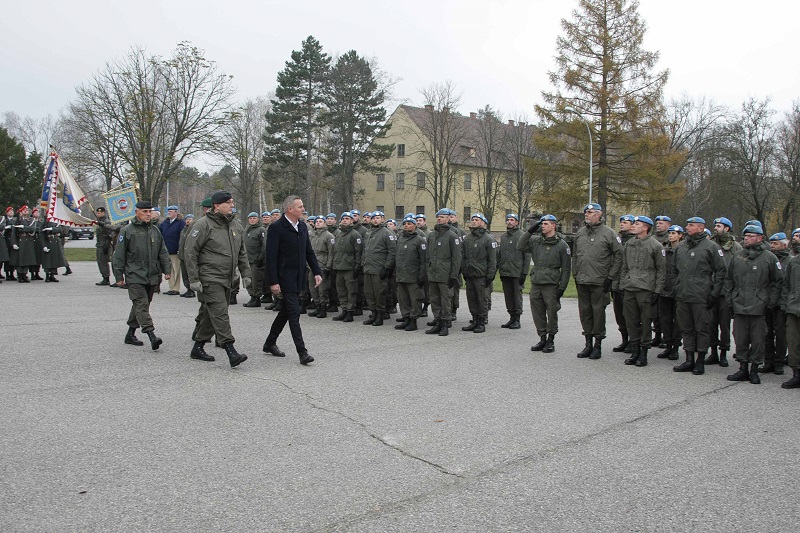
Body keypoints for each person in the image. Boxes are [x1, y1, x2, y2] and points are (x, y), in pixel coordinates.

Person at [184, 191, 251, 367]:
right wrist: (194, 279)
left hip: (227, 278)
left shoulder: (235, 226)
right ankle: (231, 350)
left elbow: (241, 252)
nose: (232, 205)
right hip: (209, 278)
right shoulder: (203, 225)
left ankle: (197, 347)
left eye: (232, 202)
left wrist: (246, 274)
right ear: (216, 205)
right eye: (228, 202)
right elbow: (190, 252)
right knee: (220, 313)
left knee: (210, 314)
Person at [262, 195, 321, 365]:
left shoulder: (302, 226)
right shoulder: (277, 227)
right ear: (290, 209)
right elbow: (271, 257)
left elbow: (308, 251)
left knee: (286, 312)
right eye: (300, 206)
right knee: (294, 313)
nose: (303, 209)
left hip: (298, 277)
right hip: (283, 277)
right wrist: (273, 281)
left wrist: (317, 271)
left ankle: (270, 343)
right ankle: (302, 352)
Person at [724, 225, 783, 384]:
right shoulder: (737, 256)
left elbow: (778, 282)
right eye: (745, 236)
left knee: (758, 339)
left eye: (751, 236)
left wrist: (770, 302)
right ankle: (743, 367)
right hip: (739, 303)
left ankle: (754, 369)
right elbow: (728, 280)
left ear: (760, 238)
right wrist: (730, 299)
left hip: (759, 306)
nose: (747, 239)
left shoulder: (769, 258)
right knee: (740, 337)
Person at [112, 201, 172, 350]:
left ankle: (130, 334)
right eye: (144, 211)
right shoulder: (127, 230)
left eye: (149, 211)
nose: (148, 214)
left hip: (152, 275)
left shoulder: (155, 231)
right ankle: (151, 335)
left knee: (141, 305)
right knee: (141, 304)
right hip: (134, 275)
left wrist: (167, 269)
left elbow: (162, 251)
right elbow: (118, 255)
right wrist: (119, 276)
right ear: (137, 212)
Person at [671, 217, 726, 375]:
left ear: (701, 228)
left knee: (702, 329)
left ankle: (700, 360)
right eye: (687, 224)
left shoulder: (711, 247)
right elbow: (674, 269)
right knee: (686, 328)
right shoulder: (681, 247)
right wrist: (677, 286)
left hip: (701, 295)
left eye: (691, 225)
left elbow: (721, 270)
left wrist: (714, 293)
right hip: (683, 294)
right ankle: (689, 359)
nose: (687, 227)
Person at [572, 203, 623, 359]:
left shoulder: (609, 233)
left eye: (590, 212)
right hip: (582, 279)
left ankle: (597, 345)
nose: (586, 214)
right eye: (586, 212)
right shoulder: (580, 233)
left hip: (600, 280)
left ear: (599, 214)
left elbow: (619, 255)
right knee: (585, 312)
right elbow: (575, 256)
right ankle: (587, 343)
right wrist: (575, 274)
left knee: (598, 312)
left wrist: (610, 277)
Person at [518, 214, 571, 352]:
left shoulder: (561, 245)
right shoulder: (536, 241)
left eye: (545, 224)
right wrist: (530, 231)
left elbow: (566, 269)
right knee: (537, 311)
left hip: (551, 284)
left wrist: (562, 288)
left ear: (553, 225)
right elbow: (520, 245)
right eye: (541, 224)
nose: (543, 226)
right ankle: (542, 337)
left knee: (552, 312)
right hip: (537, 281)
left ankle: (551, 339)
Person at [619, 216, 666, 367]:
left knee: (645, 321)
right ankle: (635, 350)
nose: (633, 226)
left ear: (645, 227)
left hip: (646, 288)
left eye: (637, 224)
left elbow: (661, 271)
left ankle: (644, 352)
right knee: (631, 321)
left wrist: (657, 291)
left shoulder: (655, 246)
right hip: (630, 287)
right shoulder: (629, 244)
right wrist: (623, 285)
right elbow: (624, 266)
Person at [706, 217, 742, 367]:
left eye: (719, 226)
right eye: (715, 225)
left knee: (725, 325)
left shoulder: (736, 247)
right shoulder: (710, 245)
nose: (716, 228)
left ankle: (723, 353)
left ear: (727, 228)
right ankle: (713, 352)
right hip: (711, 290)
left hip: (726, 292)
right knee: (711, 324)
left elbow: (738, 270)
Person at [425, 209, 462, 336]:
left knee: (445, 300)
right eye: (438, 217)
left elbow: (457, 258)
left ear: (448, 219)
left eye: (443, 217)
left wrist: (454, 276)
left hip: (445, 275)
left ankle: (445, 323)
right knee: (434, 299)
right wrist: (427, 270)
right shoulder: (432, 235)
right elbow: (427, 256)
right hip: (433, 273)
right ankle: (438, 321)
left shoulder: (452, 236)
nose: (440, 219)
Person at [461, 213, 497, 333]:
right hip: (470, 274)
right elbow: (463, 256)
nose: (474, 222)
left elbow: (493, 260)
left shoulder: (488, 239)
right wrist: (464, 270)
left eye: (477, 220)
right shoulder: (467, 238)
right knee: (471, 299)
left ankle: (481, 322)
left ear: (483, 223)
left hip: (481, 275)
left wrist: (490, 276)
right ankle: (474, 319)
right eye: (473, 220)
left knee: (482, 300)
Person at [361, 210, 397, 326]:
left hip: (379, 268)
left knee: (379, 293)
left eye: (378, 218)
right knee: (369, 292)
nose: (375, 220)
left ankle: (380, 314)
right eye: (373, 218)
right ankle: (373, 313)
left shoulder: (387, 233)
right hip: (368, 267)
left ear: (383, 219)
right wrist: (363, 263)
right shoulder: (368, 233)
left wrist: (387, 267)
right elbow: (365, 249)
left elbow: (392, 252)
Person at [762, 232, 791, 375]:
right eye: (771, 244)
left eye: (776, 244)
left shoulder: (790, 261)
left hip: (781, 304)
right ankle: (768, 361)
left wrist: (785, 303)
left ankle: (779, 362)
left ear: (784, 245)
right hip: (767, 302)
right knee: (766, 334)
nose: (772, 247)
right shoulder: (768, 259)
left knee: (781, 335)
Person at [394, 215, 428, 331]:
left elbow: (424, 260)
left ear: (414, 226)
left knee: (415, 299)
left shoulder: (420, 240)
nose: (406, 226)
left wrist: (422, 275)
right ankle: (406, 318)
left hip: (413, 275)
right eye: (405, 224)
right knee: (403, 299)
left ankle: (413, 320)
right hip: (401, 274)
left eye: (409, 224)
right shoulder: (400, 239)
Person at [497, 213, 531, 330]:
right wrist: (500, 269)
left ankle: (517, 318)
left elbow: (527, 256)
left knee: (517, 296)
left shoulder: (522, 236)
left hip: (517, 272)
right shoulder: (504, 237)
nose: (509, 222)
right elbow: (500, 254)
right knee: (508, 296)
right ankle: (511, 317)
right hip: (505, 271)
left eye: (512, 220)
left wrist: (524, 273)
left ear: (517, 222)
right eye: (508, 220)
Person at [655, 225, 684, 361]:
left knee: (677, 321)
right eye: (670, 233)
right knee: (665, 319)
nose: (670, 236)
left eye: (674, 233)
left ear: (680, 235)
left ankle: (675, 347)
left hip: (678, 290)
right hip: (664, 289)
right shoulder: (663, 249)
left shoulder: (684, 250)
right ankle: (667, 345)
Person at [330, 212, 363, 322]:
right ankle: (344, 309)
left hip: (350, 267)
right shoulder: (338, 234)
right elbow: (335, 251)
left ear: (352, 221)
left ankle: (350, 311)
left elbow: (358, 253)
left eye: (347, 218)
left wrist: (357, 267)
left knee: (351, 291)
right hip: (339, 267)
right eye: (343, 218)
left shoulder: (355, 235)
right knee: (341, 290)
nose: (345, 220)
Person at [611, 214, 636, 353]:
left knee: (630, 314)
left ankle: (633, 341)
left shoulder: (635, 241)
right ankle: (625, 339)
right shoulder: (617, 240)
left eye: (625, 222)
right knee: (619, 314)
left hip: (629, 283)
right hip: (616, 282)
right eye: (621, 222)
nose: (621, 224)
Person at [780, 250, 800, 388]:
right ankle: (797, 373)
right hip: (793, 307)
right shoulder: (794, 261)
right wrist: (784, 304)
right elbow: (786, 285)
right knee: (793, 342)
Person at [308, 215, 335, 318]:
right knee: (312, 288)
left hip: (322, 265)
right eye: (317, 221)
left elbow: (331, 253)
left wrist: (328, 267)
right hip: (312, 266)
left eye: (321, 221)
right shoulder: (312, 235)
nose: (318, 223)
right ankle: (317, 306)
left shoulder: (329, 236)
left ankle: (323, 308)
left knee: (322, 289)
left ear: (324, 223)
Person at [159, 205, 186, 295]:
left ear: (175, 212)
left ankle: (176, 288)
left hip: (175, 250)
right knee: (169, 270)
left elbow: (182, 236)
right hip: (166, 250)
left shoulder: (180, 223)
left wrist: (180, 248)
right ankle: (171, 287)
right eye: (168, 211)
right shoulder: (165, 223)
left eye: (171, 211)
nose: (169, 213)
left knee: (176, 269)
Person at [242, 212, 267, 308]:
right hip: (247, 259)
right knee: (248, 280)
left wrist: (261, 258)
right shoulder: (247, 230)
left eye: (254, 218)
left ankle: (256, 298)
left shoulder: (261, 230)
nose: (252, 220)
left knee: (256, 280)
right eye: (250, 218)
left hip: (256, 260)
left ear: (258, 219)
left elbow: (264, 245)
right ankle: (252, 296)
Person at [10, 205, 38, 283]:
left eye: (27, 210)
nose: (26, 211)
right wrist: (14, 243)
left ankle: (25, 274)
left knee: (27, 259)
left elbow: (32, 229)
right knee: (20, 260)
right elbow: (14, 232)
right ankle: (20, 275)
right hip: (20, 240)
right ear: (21, 212)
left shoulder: (31, 220)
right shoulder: (18, 220)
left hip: (28, 241)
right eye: (24, 210)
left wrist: (24, 228)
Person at [94, 206, 114, 285]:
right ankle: (104, 276)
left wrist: (106, 244)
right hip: (99, 244)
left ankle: (106, 278)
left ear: (103, 213)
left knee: (103, 261)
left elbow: (110, 234)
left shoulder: (106, 222)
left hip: (104, 244)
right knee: (100, 261)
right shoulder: (100, 222)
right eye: (97, 213)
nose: (98, 214)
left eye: (99, 213)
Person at [178, 214, 195, 297]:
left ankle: (192, 290)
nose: (188, 221)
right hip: (182, 255)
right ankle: (188, 288)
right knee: (184, 274)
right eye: (187, 219)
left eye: (190, 219)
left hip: (189, 256)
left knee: (189, 273)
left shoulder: (194, 230)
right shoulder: (184, 229)